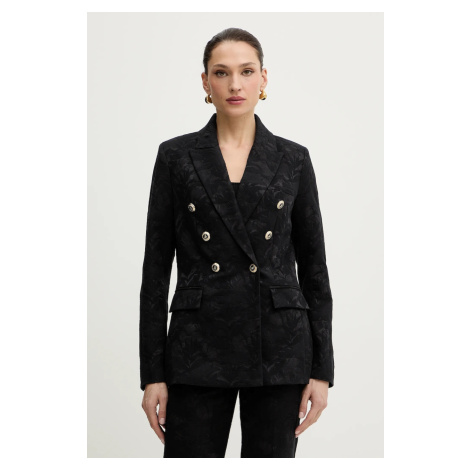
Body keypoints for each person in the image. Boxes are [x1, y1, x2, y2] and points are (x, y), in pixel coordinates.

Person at [139, 27, 334, 458]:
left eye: (246, 71)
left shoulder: (293, 158)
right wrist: (152, 374)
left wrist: (322, 370)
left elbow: (315, 270)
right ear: (205, 82)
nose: (234, 84)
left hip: (280, 347)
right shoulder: (176, 157)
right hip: (197, 346)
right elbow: (155, 273)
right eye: (221, 72)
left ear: (263, 78)